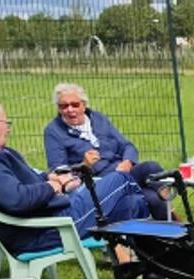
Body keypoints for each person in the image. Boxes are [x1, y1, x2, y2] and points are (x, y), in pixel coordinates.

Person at [0, 91, 148, 261]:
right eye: (5, 123)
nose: (8, 129)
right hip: (43, 229)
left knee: (134, 202)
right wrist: (53, 186)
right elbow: (17, 199)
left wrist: (58, 182)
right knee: (121, 180)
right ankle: (159, 266)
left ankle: (148, 271)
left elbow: (21, 186)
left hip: (51, 213)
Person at [43, 83, 172, 221]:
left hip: (122, 171)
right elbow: (58, 173)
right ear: (58, 108)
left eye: (74, 104)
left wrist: (127, 162)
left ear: (83, 105)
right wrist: (84, 165)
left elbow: (127, 145)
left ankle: (171, 232)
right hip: (98, 182)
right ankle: (176, 227)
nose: (69, 110)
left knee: (152, 182)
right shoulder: (53, 131)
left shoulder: (98, 119)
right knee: (151, 194)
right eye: (64, 106)